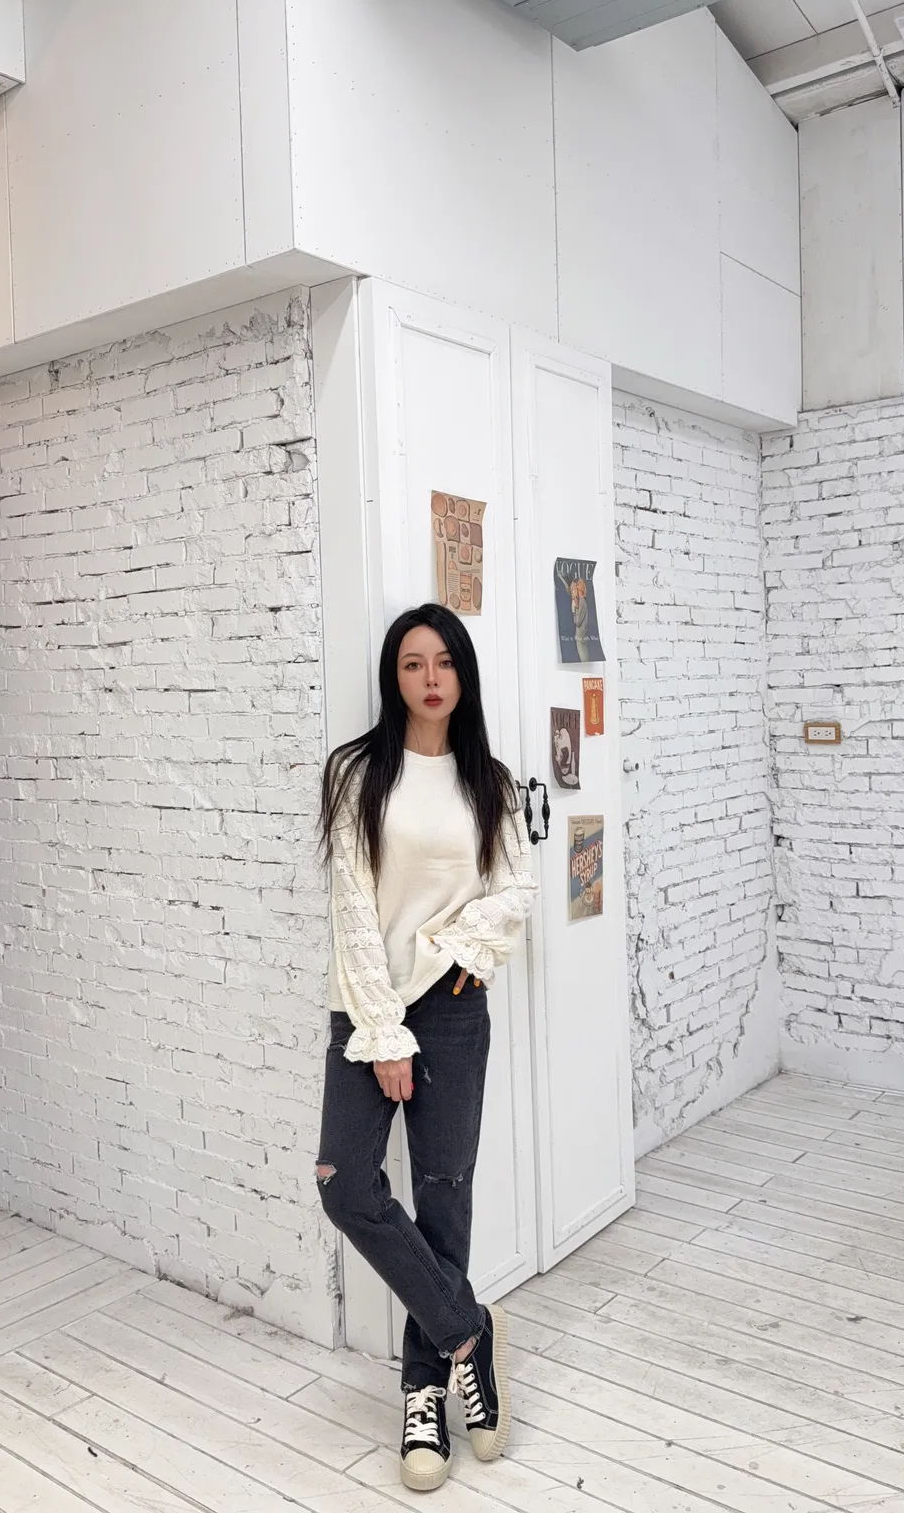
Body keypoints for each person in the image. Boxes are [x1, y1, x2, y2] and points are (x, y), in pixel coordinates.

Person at [317, 602, 538, 1493]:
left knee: (444, 1197)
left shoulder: (491, 781)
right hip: (367, 1006)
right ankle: (466, 1328)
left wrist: (449, 946)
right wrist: (382, 1029)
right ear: (394, 676)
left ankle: (423, 1394)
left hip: (454, 1005)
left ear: (463, 674)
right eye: (413, 663)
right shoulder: (357, 772)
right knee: (346, 1185)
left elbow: (516, 890)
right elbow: (351, 908)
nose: (430, 678)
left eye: (444, 661)